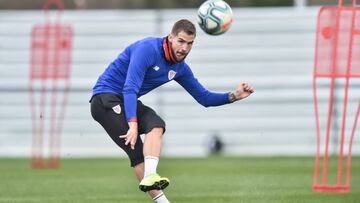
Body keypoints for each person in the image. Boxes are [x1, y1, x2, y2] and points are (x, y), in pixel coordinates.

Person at [90, 19, 254, 203]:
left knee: (157, 124)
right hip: (104, 98)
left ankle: (150, 176)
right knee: (136, 151)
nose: (184, 48)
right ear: (170, 38)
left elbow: (204, 98)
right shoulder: (147, 49)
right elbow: (130, 89)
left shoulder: (180, 68)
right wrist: (133, 125)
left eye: (190, 43)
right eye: (181, 41)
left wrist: (234, 95)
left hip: (126, 99)